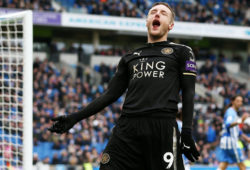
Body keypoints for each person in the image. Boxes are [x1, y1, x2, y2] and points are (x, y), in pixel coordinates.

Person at [48, 2, 200, 170]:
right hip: (127, 127)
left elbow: (189, 91)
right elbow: (109, 95)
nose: (157, 14)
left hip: (161, 127)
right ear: (147, 21)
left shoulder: (182, 51)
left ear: (171, 25)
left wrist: (186, 131)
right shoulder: (130, 57)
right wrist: (74, 118)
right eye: (153, 12)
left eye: (163, 13)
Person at [218, 95, 250, 170]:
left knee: (224, 164)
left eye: (241, 101)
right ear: (233, 101)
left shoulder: (233, 113)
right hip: (231, 142)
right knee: (242, 165)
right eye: (238, 101)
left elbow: (237, 130)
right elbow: (228, 124)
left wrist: (246, 138)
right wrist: (241, 121)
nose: (240, 103)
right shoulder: (230, 112)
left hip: (225, 142)